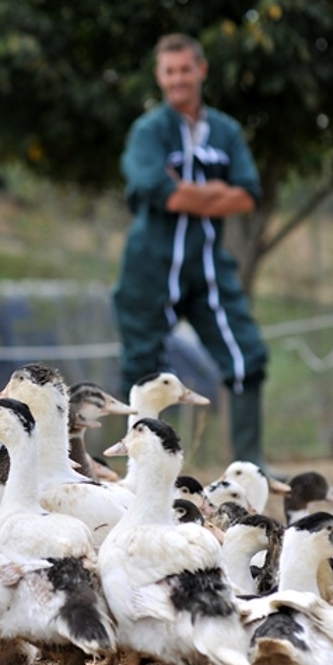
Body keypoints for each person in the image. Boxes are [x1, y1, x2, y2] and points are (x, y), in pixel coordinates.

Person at [113, 33, 270, 470]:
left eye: (185, 69)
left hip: (209, 269)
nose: (178, 79)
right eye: (169, 71)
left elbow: (247, 196)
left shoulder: (226, 131)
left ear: (201, 70)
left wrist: (187, 190)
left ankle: (250, 466)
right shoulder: (148, 131)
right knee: (141, 370)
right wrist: (215, 191)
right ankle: (140, 470)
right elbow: (163, 194)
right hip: (150, 268)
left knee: (247, 355)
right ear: (159, 76)